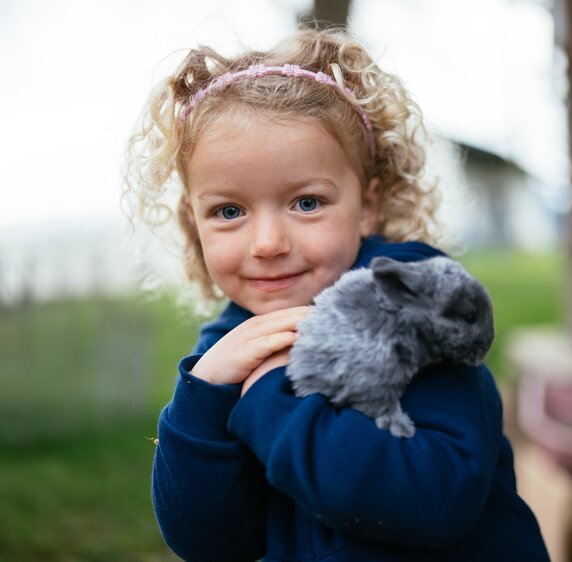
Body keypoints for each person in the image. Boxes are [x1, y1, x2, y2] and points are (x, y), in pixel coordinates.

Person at [123, 27, 549, 562]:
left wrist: (269, 398)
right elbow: (210, 543)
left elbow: (438, 498)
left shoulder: (412, 308)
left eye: (306, 203)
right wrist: (202, 398)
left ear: (367, 205)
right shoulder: (227, 352)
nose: (269, 244)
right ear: (194, 220)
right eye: (229, 211)